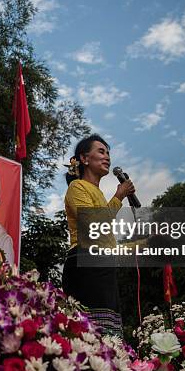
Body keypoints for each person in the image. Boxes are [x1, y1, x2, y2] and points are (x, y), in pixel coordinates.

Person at [62, 134, 135, 338]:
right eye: (101, 152)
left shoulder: (99, 193)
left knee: (108, 331)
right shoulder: (76, 187)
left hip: (103, 263)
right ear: (84, 159)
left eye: (108, 153)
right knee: (89, 330)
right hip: (85, 261)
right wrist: (119, 196)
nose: (107, 157)